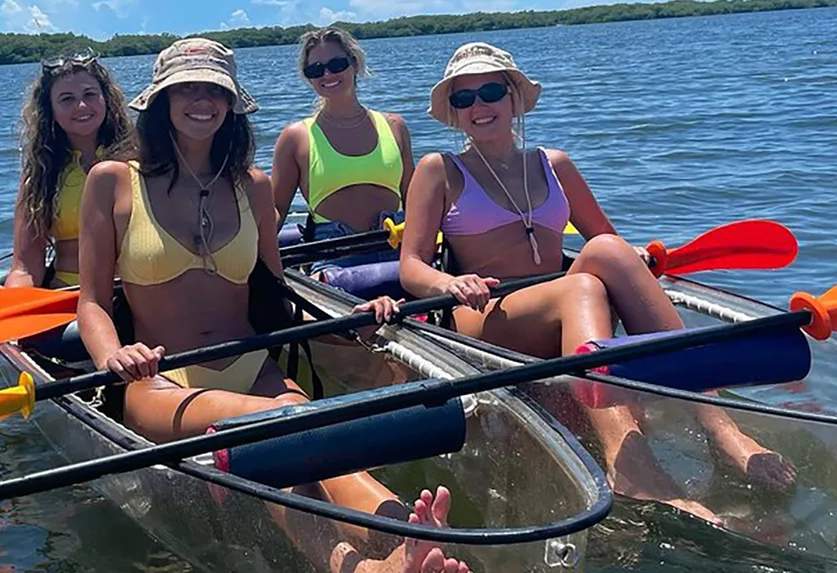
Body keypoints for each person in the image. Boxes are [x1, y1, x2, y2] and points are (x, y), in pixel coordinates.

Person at [76, 38, 468, 573]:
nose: (201, 99)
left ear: (231, 102)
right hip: (161, 380)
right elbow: (93, 303)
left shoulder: (253, 187)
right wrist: (111, 359)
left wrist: (344, 322)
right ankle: (394, 544)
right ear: (161, 100)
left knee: (308, 443)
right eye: (185, 88)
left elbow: (277, 298)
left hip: (253, 365)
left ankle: (399, 545)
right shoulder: (113, 182)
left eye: (213, 89)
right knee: (296, 420)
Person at [399, 42, 796, 525]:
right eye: (464, 100)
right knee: (583, 288)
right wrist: (452, 280)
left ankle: (719, 429)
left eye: (489, 92)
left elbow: (607, 240)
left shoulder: (554, 164)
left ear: (514, 98)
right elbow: (411, 267)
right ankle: (628, 463)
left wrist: (641, 264)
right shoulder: (439, 169)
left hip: (557, 298)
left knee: (607, 252)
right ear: (454, 113)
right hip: (489, 316)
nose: (479, 107)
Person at [271, 27, 415, 273]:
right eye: (316, 70)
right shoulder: (295, 138)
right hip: (334, 257)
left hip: (398, 248)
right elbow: (276, 210)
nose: (327, 74)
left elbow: (414, 199)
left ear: (355, 64)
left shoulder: (394, 127)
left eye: (337, 64)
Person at [6, 47, 134, 288]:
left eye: (90, 94)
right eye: (67, 99)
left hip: (136, 292)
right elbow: (25, 269)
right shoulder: (41, 175)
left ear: (106, 99)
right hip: (68, 295)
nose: (82, 106)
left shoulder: (139, 160)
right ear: (50, 111)